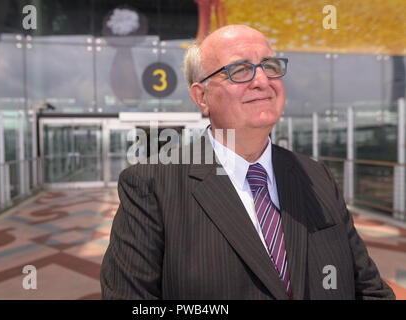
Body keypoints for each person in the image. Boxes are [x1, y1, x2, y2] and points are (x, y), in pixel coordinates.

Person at [100, 25, 395, 300]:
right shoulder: (152, 185)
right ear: (201, 97)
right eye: (239, 70)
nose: (263, 81)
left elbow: (369, 289)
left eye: (270, 66)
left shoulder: (316, 175)